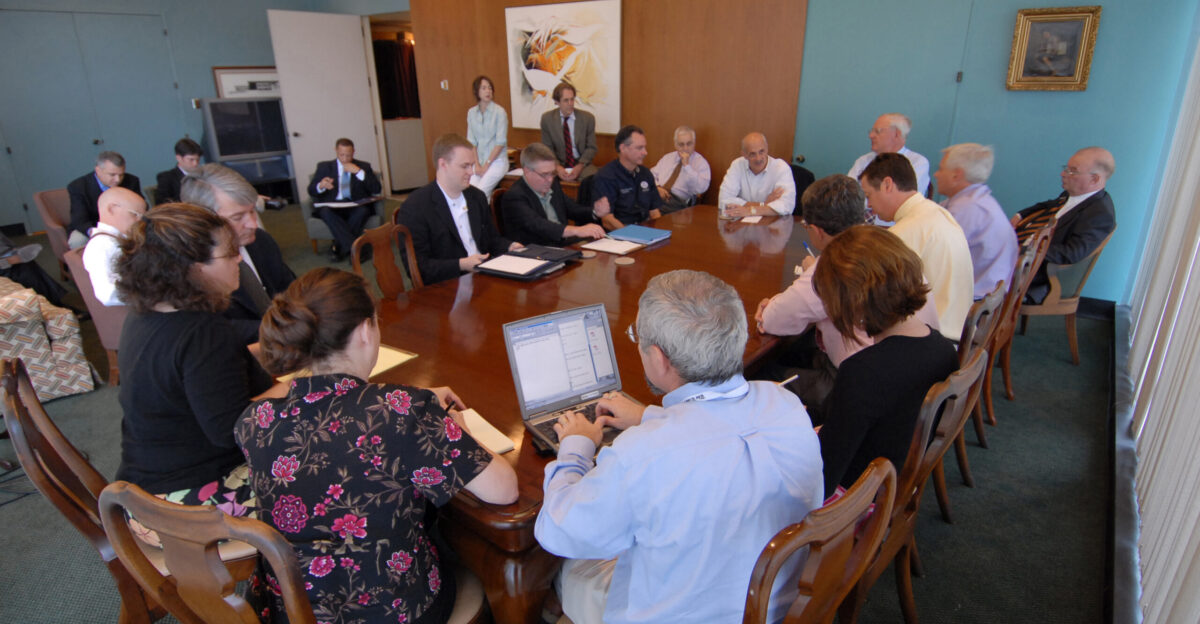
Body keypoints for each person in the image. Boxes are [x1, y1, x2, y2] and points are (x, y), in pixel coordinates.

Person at [534, 270, 823, 624]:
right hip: (771, 601)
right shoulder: (785, 405)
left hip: (679, 613)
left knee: (567, 568)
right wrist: (649, 416)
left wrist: (575, 447)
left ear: (659, 358)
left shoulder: (641, 456)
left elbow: (557, 529)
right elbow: (715, 430)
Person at [236, 267, 518, 624]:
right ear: (367, 331)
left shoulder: (254, 420)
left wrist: (416, 402)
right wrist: (457, 429)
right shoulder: (401, 413)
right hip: (393, 609)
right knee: (461, 548)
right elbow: (503, 490)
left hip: (295, 610)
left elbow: (330, 428)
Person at [113, 203, 273, 526]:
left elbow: (209, 376)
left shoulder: (147, 314)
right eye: (230, 254)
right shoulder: (203, 333)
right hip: (188, 504)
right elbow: (232, 431)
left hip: (142, 488)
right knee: (333, 475)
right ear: (193, 268)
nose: (239, 260)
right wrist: (298, 393)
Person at [812, 225, 958, 497]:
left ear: (853, 302)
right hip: (893, 488)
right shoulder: (943, 348)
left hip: (855, 504)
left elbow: (823, 480)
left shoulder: (863, 372)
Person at [859, 153, 973, 340]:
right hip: (959, 326)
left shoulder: (905, 231)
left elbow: (875, 297)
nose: (869, 205)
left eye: (869, 195)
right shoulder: (936, 212)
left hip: (938, 339)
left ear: (887, 185)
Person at [182, 163, 296, 344]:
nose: (252, 223)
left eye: (252, 211)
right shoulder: (189, 266)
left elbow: (290, 288)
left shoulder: (261, 241)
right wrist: (283, 331)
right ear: (203, 219)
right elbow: (213, 329)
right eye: (238, 217)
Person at [398, 134, 522, 285]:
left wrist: (510, 246)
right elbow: (418, 268)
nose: (472, 172)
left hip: (484, 278)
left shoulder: (477, 197)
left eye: (472, 165)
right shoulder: (416, 207)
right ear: (443, 164)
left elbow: (491, 240)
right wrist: (461, 264)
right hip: (447, 286)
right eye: (465, 166)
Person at [1013, 146, 1117, 302]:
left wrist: (1027, 249)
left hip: (1041, 273)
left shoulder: (1100, 214)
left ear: (1094, 179)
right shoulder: (1074, 195)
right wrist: (1020, 215)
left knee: (975, 267)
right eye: (1066, 169)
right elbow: (1047, 205)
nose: (1063, 174)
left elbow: (1071, 253)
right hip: (1023, 255)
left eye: (1072, 171)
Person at [934, 143, 1018, 300]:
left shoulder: (969, 208)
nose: (937, 174)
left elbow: (934, 254)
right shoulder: (974, 199)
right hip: (984, 290)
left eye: (941, 169)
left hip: (975, 299)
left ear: (956, 175)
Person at [501, 143, 606, 246]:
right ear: (527, 171)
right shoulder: (514, 196)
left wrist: (595, 212)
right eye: (544, 174)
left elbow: (572, 209)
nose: (550, 179)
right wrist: (576, 230)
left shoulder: (554, 184)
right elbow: (538, 225)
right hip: (536, 250)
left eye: (552, 173)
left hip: (562, 245)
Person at [307, 138, 383, 262]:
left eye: (348, 155)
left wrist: (359, 172)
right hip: (332, 206)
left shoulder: (363, 166)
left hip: (356, 206)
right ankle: (357, 250)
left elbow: (376, 188)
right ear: (336, 151)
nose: (345, 159)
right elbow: (311, 190)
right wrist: (321, 186)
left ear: (353, 152)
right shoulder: (324, 167)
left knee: (363, 211)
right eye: (341, 155)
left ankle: (339, 247)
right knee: (325, 212)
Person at [847, 113, 931, 220]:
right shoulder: (863, 161)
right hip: (857, 222)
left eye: (877, 131)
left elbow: (904, 201)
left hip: (897, 225)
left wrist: (865, 199)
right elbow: (848, 196)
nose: (871, 135)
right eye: (871, 131)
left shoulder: (917, 162)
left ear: (896, 134)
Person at [82, 187, 145, 306]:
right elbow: (107, 294)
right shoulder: (102, 245)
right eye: (135, 214)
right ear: (112, 209)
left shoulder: (119, 239)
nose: (140, 221)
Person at [591, 125, 662, 229]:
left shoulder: (645, 173)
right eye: (639, 148)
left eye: (644, 147)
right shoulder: (606, 176)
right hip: (619, 233)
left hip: (644, 229)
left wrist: (657, 234)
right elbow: (607, 220)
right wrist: (629, 235)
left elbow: (654, 212)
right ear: (623, 148)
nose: (645, 152)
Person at [67, 151, 142, 248]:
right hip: (94, 225)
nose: (118, 180)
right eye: (112, 175)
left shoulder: (132, 181)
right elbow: (80, 220)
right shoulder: (78, 187)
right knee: (77, 241)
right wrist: (96, 233)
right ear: (98, 170)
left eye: (121, 175)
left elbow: (141, 208)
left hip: (126, 223)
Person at [717, 132, 796, 218]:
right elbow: (723, 200)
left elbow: (787, 205)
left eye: (761, 152)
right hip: (741, 225)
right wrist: (763, 204)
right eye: (752, 154)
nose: (758, 158)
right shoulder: (737, 165)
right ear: (744, 155)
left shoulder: (781, 167)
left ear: (767, 149)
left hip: (772, 226)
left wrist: (750, 211)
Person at [539, 82, 597, 181]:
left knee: (593, 178)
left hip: (581, 163)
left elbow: (591, 148)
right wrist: (557, 167)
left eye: (572, 99)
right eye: (566, 100)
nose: (570, 104)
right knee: (543, 177)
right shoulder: (547, 119)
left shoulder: (588, 118)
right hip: (557, 163)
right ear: (557, 102)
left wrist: (580, 166)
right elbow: (547, 149)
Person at [466, 75, 509, 198]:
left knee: (481, 193)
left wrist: (486, 165)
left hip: (497, 161)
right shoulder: (471, 113)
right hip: (478, 162)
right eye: (484, 88)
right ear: (477, 91)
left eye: (490, 88)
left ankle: (485, 216)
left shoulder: (499, 112)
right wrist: (477, 165)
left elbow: (500, 142)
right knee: (469, 192)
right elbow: (471, 142)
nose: (488, 91)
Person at [650, 125, 711, 211]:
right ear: (675, 145)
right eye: (681, 144)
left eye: (689, 144)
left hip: (678, 202)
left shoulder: (701, 163)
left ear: (694, 143)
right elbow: (651, 174)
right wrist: (657, 187)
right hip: (658, 194)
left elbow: (701, 189)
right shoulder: (668, 158)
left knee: (650, 210)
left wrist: (687, 166)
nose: (685, 148)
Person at [154, 138, 203, 205]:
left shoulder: (202, 175)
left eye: (197, 160)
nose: (195, 163)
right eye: (191, 160)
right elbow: (162, 205)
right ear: (179, 158)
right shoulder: (167, 178)